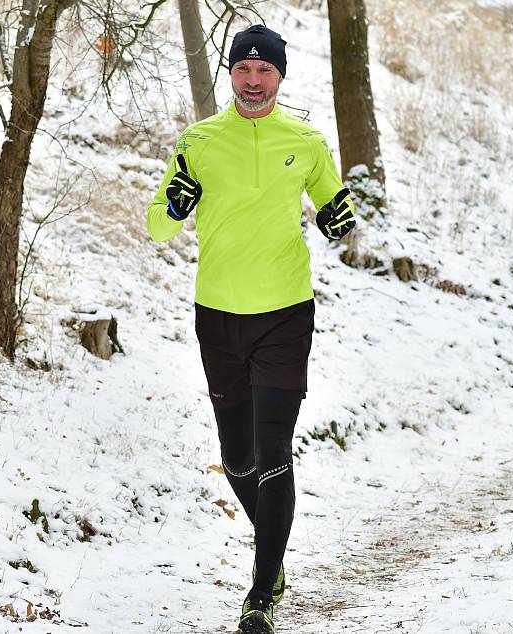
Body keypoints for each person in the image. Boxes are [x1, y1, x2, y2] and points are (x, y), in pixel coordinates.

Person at [146, 23, 356, 634]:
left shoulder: (307, 140)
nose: (254, 81)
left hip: (286, 314)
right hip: (218, 317)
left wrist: (339, 220)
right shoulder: (199, 141)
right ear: (230, 74)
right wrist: (175, 206)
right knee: (236, 458)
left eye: (265, 71)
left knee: (273, 455)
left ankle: (261, 593)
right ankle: (276, 551)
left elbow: (335, 208)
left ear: (281, 77)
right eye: (244, 69)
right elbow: (159, 226)